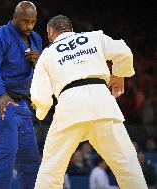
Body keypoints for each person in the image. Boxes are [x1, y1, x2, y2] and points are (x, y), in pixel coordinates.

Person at [31, 15, 148, 189]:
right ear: (71, 29)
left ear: (51, 32)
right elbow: (123, 50)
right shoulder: (94, 37)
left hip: (70, 108)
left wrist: (41, 111)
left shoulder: (48, 53)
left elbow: (40, 94)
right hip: (102, 103)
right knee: (127, 166)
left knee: (51, 170)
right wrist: (119, 73)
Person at [0, 1, 42, 188]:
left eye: (33, 21)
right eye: (25, 21)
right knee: (4, 160)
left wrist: (39, 60)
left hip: (22, 104)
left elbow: (43, 70)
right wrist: (0, 95)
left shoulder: (36, 38)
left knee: (30, 161)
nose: (29, 26)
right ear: (14, 18)